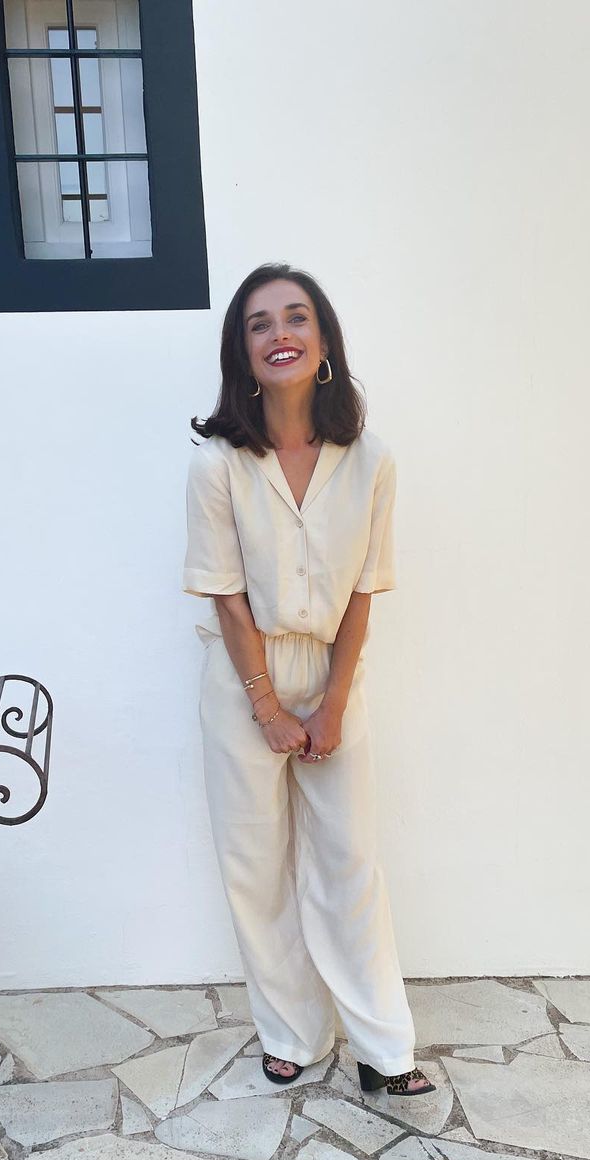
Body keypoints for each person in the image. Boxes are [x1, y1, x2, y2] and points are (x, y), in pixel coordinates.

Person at [183, 263, 434, 1097]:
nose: (279, 334)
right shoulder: (218, 463)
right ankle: (291, 1029)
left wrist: (331, 705)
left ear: (323, 340)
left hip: (333, 670)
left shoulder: (370, 460)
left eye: (296, 317)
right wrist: (265, 706)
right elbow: (225, 596)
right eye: (259, 324)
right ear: (242, 350)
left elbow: (363, 592)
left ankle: (383, 1046)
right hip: (242, 676)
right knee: (255, 865)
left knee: (349, 860)